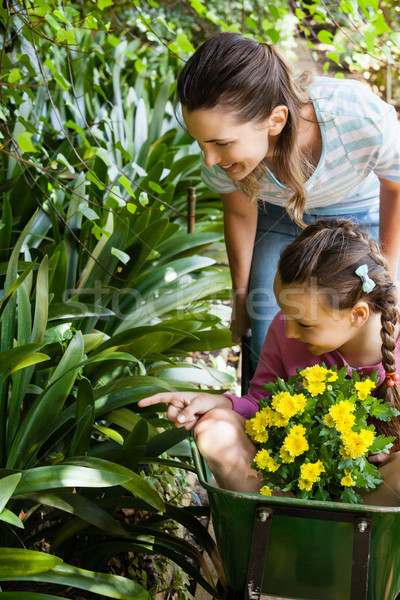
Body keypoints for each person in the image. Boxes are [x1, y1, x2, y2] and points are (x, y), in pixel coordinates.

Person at [138, 218, 400, 506]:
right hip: (288, 482)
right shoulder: (288, 330)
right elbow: (262, 403)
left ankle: (349, 543)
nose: (288, 332)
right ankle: (281, 529)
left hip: (371, 491)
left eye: (304, 323)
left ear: (358, 315)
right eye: (285, 315)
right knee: (214, 428)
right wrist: (220, 404)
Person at [176, 31, 400, 361]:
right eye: (201, 142)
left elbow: (396, 187)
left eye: (221, 143)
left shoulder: (358, 116)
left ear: (275, 121)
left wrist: (389, 278)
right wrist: (241, 298)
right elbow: (239, 214)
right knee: (269, 333)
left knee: (369, 334)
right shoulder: (221, 158)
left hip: (360, 215)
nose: (209, 160)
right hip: (277, 218)